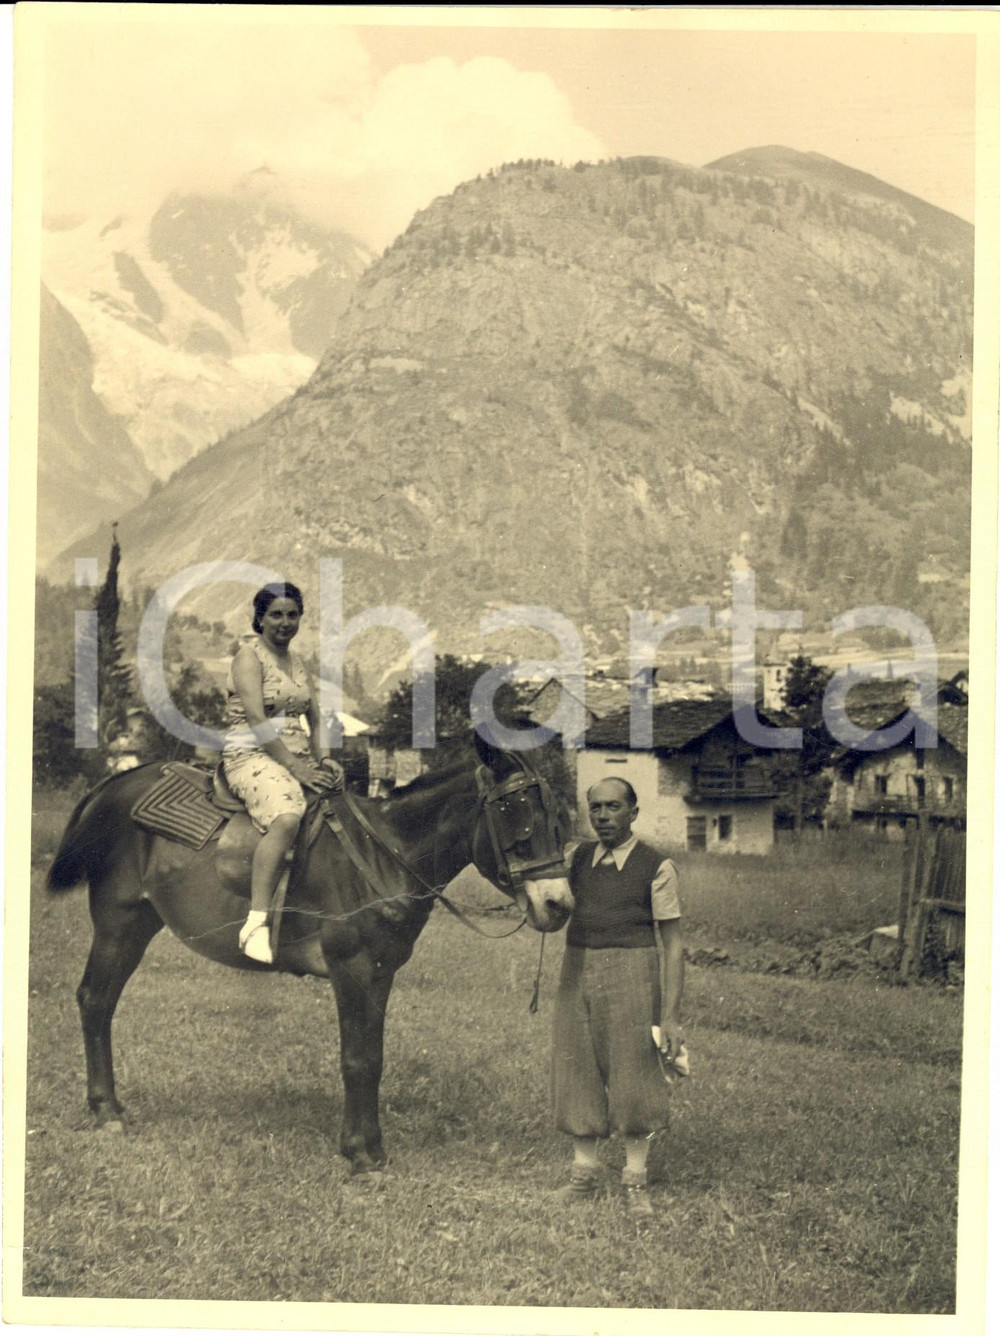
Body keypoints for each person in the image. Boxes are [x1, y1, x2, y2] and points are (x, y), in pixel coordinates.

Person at [551, 776, 685, 1220]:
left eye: (612, 807)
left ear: (633, 812)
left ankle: (635, 1181)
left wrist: (669, 1016)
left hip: (634, 971)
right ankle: (583, 1175)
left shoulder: (657, 866)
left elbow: (673, 944)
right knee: (577, 1067)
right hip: (577, 967)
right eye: (596, 809)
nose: (603, 816)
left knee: (635, 1073)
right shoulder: (577, 858)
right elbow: (551, 910)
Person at [223, 582, 343, 965]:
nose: (285, 622)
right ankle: (256, 923)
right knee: (288, 816)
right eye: (276, 614)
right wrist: (296, 768)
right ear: (259, 618)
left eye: (292, 615)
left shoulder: (298, 662)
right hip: (251, 755)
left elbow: (316, 717)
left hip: (297, 759)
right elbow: (258, 719)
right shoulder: (248, 657)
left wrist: (324, 759)